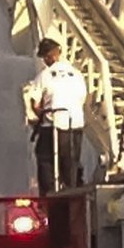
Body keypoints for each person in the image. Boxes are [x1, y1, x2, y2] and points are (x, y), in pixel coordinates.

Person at [26, 36, 88, 195]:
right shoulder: (77, 74)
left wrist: (39, 116)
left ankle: (48, 193)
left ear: (47, 56)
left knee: (45, 158)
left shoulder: (44, 75)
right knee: (71, 162)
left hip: (52, 127)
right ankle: (72, 190)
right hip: (75, 126)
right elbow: (83, 98)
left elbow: (35, 104)